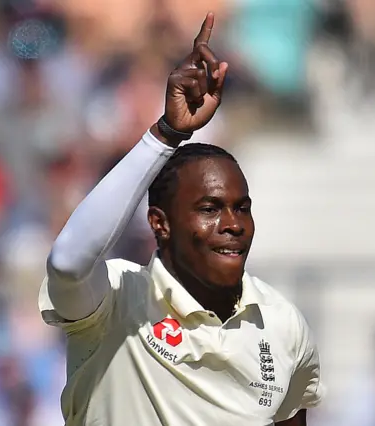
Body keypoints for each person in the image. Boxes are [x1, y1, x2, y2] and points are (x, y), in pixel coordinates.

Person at [39, 13, 323, 426]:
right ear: (160, 223)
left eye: (241, 208)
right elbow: (66, 260)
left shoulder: (281, 323)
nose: (233, 224)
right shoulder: (115, 298)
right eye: (209, 209)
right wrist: (165, 135)